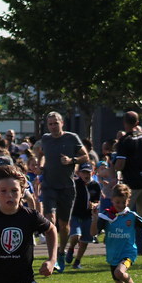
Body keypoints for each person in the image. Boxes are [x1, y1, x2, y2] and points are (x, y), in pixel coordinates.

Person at [37, 112, 88, 273]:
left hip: (66, 187)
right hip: (49, 185)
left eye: (55, 123)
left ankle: (61, 252)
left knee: (64, 224)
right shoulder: (45, 138)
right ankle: (52, 256)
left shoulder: (72, 138)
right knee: (50, 219)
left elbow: (85, 157)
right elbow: (41, 153)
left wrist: (71, 160)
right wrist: (40, 164)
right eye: (50, 124)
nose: (53, 126)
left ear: (62, 123)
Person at [114, 111, 142, 254]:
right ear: (137, 123)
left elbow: (120, 164)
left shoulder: (124, 141)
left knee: (124, 217)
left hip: (132, 185)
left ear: (124, 123)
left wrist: (113, 165)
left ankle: (123, 248)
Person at [65, 163, 102, 269]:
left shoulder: (95, 185)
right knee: (76, 235)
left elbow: (97, 200)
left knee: (85, 240)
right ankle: (71, 248)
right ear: (79, 173)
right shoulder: (75, 184)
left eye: (88, 172)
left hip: (88, 215)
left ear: (93, 172)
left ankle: (77, 261)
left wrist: (94, 205)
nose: (86, 175)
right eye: (84, 172)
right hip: (76, 214)